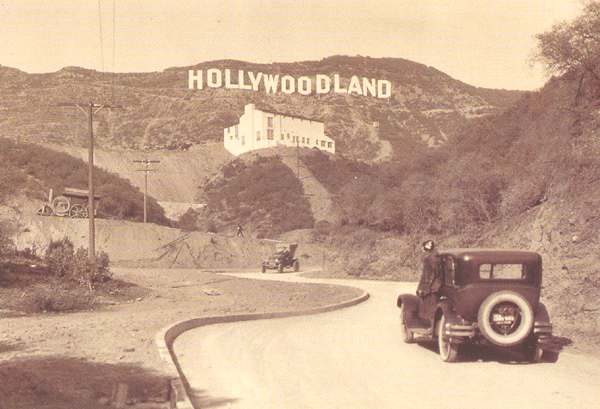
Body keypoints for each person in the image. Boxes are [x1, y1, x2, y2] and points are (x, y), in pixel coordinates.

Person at [416, 240, 442, 322]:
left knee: (428, 308)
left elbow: (428, 275)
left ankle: (428, 326)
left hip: (431, 288)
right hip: (437, 286)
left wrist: (423, 289)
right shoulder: (438, 256)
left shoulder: (429, 258)